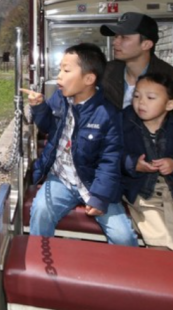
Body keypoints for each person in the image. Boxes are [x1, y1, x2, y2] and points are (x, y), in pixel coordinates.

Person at [23, 43, 138, 246]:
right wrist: (39, 107)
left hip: (94, 182)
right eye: (60, 69)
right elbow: (47, 125)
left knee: (123, 237)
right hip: (61, 178)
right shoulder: (60, 99)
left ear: (89, 79)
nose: (59, 75)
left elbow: (110, 160)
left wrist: (100, 197)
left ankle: (125, 275)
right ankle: (38, 264)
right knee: (41, 211)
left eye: (66, 70)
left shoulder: (108, 114)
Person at [122, 73, 173, 250]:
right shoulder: (124, 122)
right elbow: (113, 154)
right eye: (136, 96)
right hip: (144, 192)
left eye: (150, 97)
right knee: (159, 239)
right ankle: (165, 270)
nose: (141, 102)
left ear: (170, 104)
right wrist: (132, 164)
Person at [100, 12, 173, 109]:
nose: (115, 42)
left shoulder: (172, 77)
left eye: (124, 37)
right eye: (116, 36)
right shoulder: (104, 72)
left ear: (146, 45)